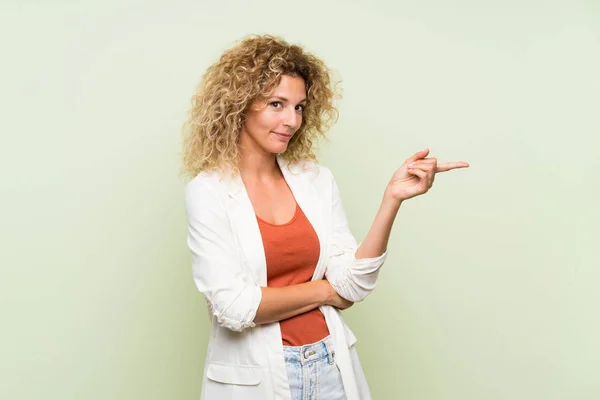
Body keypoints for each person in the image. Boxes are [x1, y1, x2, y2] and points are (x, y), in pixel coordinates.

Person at [181, 34, 469, 400]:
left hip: (330, 364)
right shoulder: (208, 192)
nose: (291, 120)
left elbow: (353, 285)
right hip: (258, 378)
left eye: (299, 107)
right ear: (239, 104)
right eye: (277, 104)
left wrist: (392, 199)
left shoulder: (315, 180)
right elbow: (235, 307)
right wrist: (325, 291)